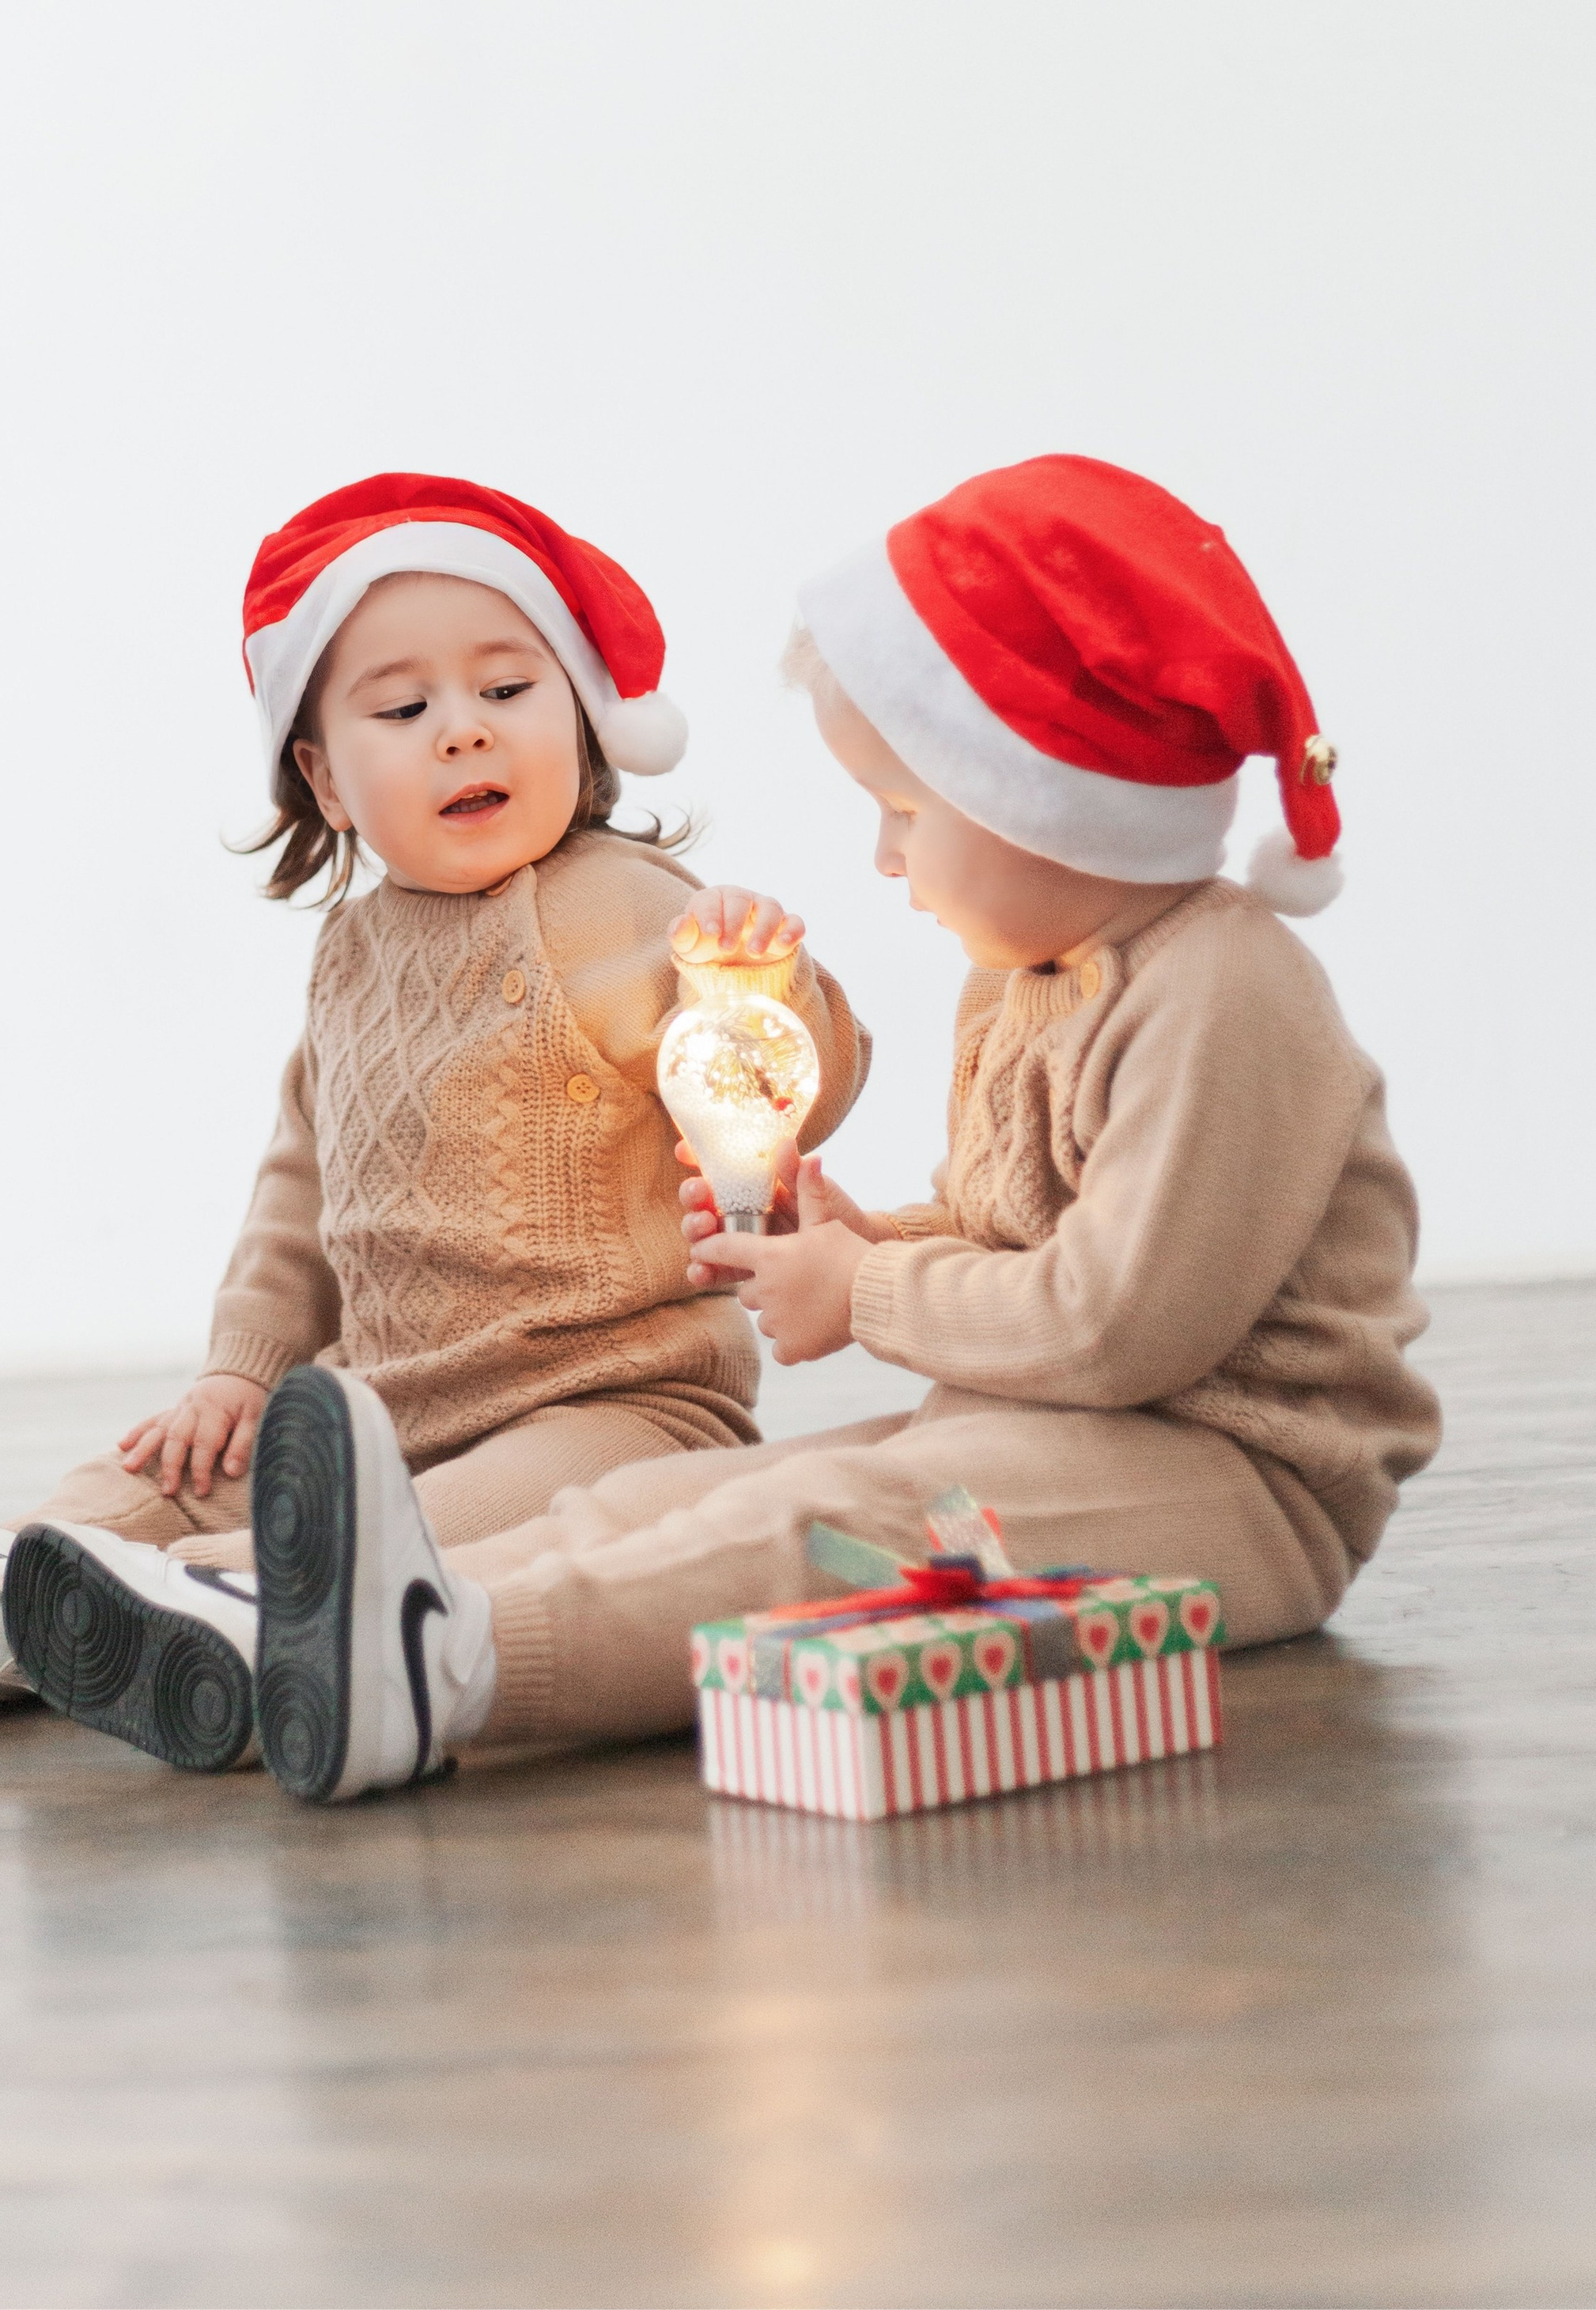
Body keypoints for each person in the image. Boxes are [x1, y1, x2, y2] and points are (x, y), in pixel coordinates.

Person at [236, 453, 1444, 1804]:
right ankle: (304, 1620)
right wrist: (865, 1236)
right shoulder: (1027, 977)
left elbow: (1118, 1325)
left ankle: (448, 1664)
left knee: (819, 1522)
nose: (884, 855)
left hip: (1243, 1481)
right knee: (678, 1502)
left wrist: (863, 1286)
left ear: (1049, 797)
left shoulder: (1225, 991)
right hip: (1059, 1423)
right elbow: (1010, 1236)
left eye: (908, 812)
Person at [0, 475, 868, 1765]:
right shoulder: (352, 956)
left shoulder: (625, 902)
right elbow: (300, 1189)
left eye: (506, 689)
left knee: (420, 1528)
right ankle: (5, 1576)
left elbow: (794, 1082)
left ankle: (194, 1603)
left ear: (588, 720)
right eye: (404, 708)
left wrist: (763, 987)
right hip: (373, 1403)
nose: (463, 732)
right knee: (160, 1470)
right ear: (323, 776)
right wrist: (241, 1372)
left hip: (606, 1406)